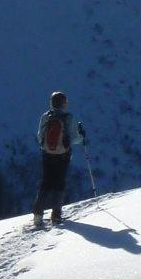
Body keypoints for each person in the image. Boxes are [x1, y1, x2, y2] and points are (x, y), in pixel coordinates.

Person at [33, 90, 85, 227]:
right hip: (62, 156)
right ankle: (56, 215)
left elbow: (39, 137)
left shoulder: (46, 116)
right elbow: (75, 138)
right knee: (59, 183)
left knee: (46, 182)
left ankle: (38, 214)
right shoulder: (69, 117)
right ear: (63, 104)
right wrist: (81, 136)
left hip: (47, 154)